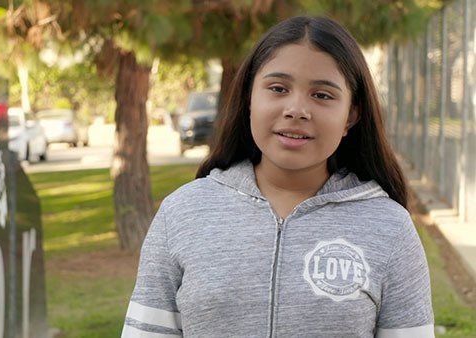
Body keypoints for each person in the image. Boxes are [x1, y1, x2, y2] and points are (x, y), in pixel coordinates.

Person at [122, 16, 434, 337]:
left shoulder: (390, 228)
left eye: (322, 95)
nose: (296, 109)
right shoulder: (182, 214)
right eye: (278, 88)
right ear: (248, 100)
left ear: (350, 116)